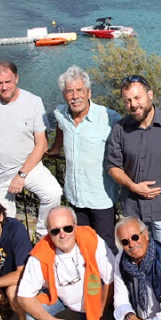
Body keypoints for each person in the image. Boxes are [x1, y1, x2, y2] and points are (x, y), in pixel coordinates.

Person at [17, 206, 115, 320]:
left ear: (75, 226)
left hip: (91, 302)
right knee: (33, 315)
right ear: (48, 232)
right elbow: (23, 297)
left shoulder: (92, 240)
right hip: (59, 297)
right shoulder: (40, 252)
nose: (62, 234)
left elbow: (110, 280)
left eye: (68, 228)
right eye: (55, 231)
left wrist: (100, 315)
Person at [0, 60, 62, 233]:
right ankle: (14, 249)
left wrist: (21, 175)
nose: (4, 87)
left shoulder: (33, 101)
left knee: (53, 193)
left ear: (17, 78)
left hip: (29, 168)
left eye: (8, 82)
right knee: (3, 223)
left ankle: (42, 235)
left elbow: (41, 143)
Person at [106, 74, 161, 252]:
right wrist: (133, 186)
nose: (133, 105)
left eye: (137, 98)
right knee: (136, 255)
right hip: (132, 209)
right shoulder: (120, 129)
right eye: (127, 100)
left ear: (150, 95)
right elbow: (113, 166)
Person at [48, 65, 121, 252]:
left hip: (101, 197)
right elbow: (60, 127)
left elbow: (125, 145)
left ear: (89, 92)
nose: (75, 96)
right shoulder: (61, 113)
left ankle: (109, 282)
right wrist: (55, 148)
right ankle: (90, 281)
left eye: (80, 90)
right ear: (64, 95)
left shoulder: (109, 118)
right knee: (82, 245)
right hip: (75, 196)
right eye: (69, 92)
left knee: (106, 248)